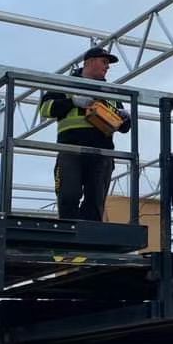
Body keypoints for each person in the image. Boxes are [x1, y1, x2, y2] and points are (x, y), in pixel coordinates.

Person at [39, 46, 131, 222]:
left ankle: (89, 234)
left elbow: (124, 127)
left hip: (102, 154)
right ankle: (68, 232)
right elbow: (45, 109)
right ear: (89, 62)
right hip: (71, 150)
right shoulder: (66, 84)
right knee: (68, 195)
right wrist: (72, 102)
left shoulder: (110, 91)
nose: (107, 67)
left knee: (95, 201)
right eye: (104, 62)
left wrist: (125, 118)